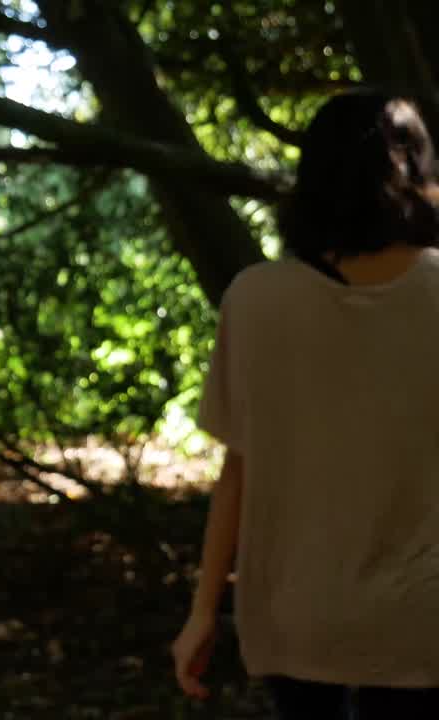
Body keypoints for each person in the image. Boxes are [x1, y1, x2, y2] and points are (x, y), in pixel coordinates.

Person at [171, 89, 439, 719]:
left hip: (297, 616)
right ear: (419, 174)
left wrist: (204, 612)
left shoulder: (256, 298)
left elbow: (238, 472)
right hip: (423, 618)